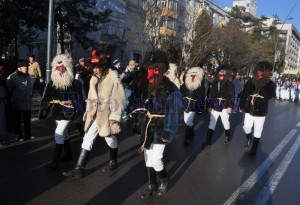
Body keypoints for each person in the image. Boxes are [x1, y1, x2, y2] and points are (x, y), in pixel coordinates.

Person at [62, 50, 126, 178]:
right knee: (87, 138)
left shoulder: (113, 76)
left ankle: (113, 161)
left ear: (103, 66)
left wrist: (114, 117)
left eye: (97, 67)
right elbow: (92, 96)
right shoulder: (93, 79)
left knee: (110, 139)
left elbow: (120, 98)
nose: (95, 70)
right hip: (95, 114)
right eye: (94, 67)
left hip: (106, 114)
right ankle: (79, 168)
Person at [136, 50, 181, 199]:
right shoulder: (147, 85)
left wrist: (168, 132)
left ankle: (164, 178)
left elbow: (174, 113)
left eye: (154, 68)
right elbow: (142, 105)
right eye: (149, 68)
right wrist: (139, 122)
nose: (151, 71)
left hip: (162, 126)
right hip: (148, 125)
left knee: (156, 159)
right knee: (147, 158)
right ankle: (151, 185)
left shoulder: (170, 89)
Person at [38, 53, 83, 170]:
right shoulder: (52, 83)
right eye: (57, 68)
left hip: (67, 113)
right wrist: (43, 111)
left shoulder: (74, 83)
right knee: (65, 134)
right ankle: (68, 154)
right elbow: (46, 98)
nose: (60, 71)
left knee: (58, 133)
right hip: (56, 112)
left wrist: (72, 103)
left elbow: (79, 98)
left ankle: (55, 161)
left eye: (62, 68)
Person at [239, 61, 276, 155]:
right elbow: (244, 94)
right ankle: (249, 138)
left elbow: (270, 94)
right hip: (249, 108)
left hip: (261, 110)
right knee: (246, 126)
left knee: (257, 130)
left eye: (263, 71)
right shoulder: (250, 81)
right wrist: (241, 105)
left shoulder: (270, 83)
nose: (260, 72)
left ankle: (254, 149)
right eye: (259, 70)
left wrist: (262, 85)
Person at [202, 65, 234, 149]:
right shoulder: (215, 83)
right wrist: (209, 106)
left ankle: (227, 136)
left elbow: (232, 96)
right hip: (215, 105)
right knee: (212, 122)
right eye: (220, 75)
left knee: (225, 122)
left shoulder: (230, 84)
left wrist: (230, 106)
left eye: (223, 75)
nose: (221, 76)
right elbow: (210, 95)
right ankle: (207, 140)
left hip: (224, 106)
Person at [7, 61, 33, 141]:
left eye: (27, 67)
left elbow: (30, 87)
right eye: (25, 67)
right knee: (17, 120)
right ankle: (19, 135)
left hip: (27, 102)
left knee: (27, 120)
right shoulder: (12, 77)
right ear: (19, 68)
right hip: (17, 103)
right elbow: (8, 89)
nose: (27, 68)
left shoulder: (28, 75)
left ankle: (28, 134)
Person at [180, 66, 206, 145]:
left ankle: (186, 139)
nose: (193, 77)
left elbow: (202, 96)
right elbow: (182, 91)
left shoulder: (201, 85)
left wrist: (199, 105)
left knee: (189, 122)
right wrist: (184, 96)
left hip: (194, 105)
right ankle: (191, 133)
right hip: (186, 104)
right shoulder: (186, 83)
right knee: (186, 121)